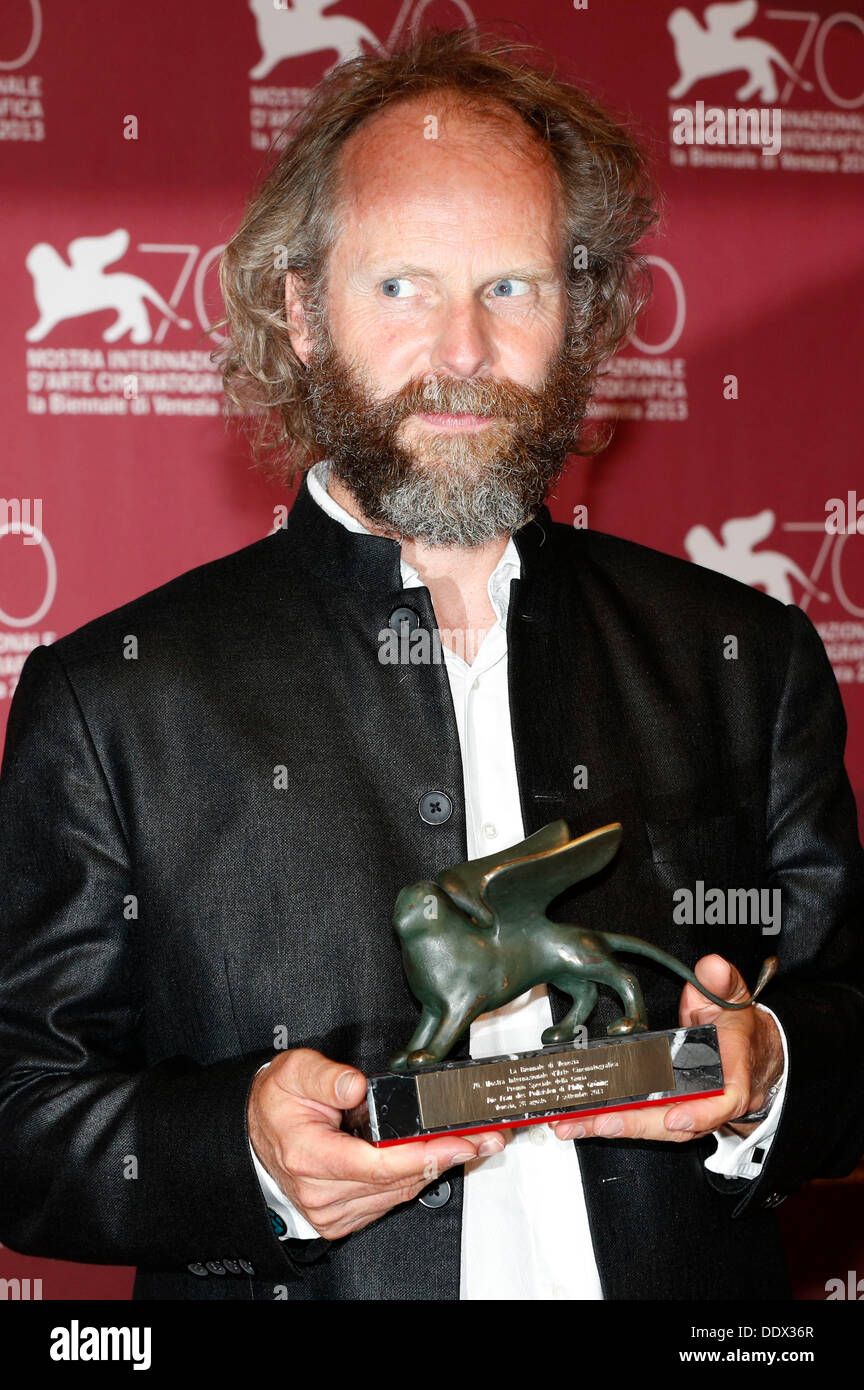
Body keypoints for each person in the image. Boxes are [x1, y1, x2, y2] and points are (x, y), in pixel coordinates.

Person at [1, 27, 862, 1302]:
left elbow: (851, 1008)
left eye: (511, 288)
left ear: (580, 314)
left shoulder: (746, 660)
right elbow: (24, 1114)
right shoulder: (113, 698)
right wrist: (242, 1156)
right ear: (300, 309)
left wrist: (774, 1070)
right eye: (402, 286)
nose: (462, 351)